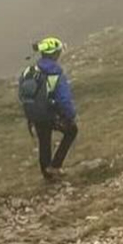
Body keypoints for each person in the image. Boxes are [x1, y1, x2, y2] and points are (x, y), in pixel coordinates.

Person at [26, 37, 79, 181]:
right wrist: (70, 115)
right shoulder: (55, 72)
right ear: (55, 54)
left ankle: (47, 174)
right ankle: (55, 166)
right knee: (72, 130)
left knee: (44, 141)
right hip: (50, 113)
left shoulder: (31, 71)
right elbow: (64, 99)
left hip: (35, 115)